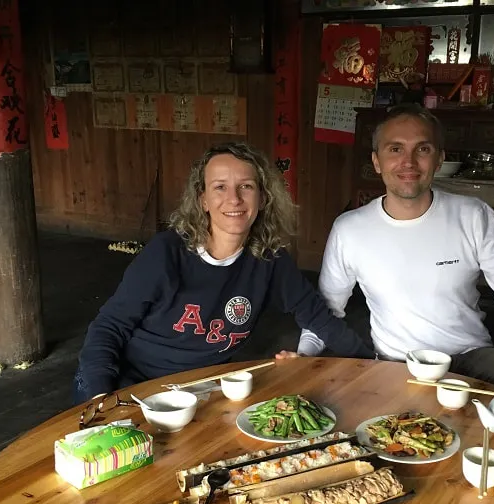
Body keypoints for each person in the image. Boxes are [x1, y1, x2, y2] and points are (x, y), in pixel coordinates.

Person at [292, 104, 494, 427]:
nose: (408, 162)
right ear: (376, 161)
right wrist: (303, 356)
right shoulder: (350, 229)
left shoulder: (472, 216)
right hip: (398, 365)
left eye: (422, 149)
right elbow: (326, 307)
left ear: (439, 159)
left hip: (473, 360)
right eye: (395, 149)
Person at [73, 142, 374, 405]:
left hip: (205, 389)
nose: (234, 199)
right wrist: (101, 397)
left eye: (246, 186)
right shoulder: (167, 253)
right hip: (134, 383)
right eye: (220, 187)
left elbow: (319, 318)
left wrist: (371, 365)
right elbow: (109, 327)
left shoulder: (269, 258)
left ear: (263, 198)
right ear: (202, 200)